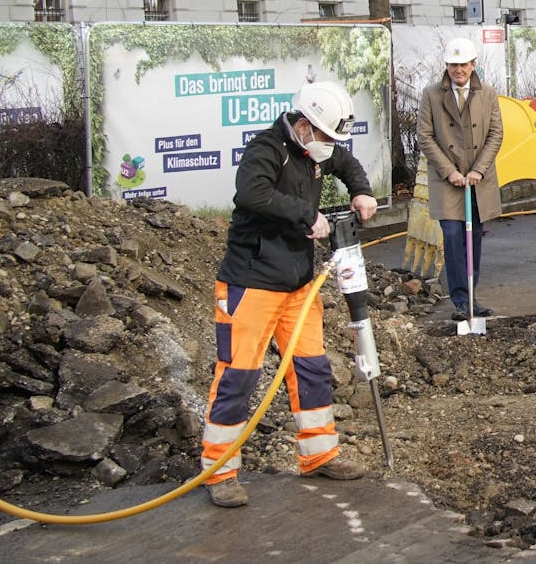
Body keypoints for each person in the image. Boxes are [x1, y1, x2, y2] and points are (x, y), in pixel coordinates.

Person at [201, 80, 378, 508]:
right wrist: (307, 215)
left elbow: (346, 161)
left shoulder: (316, 146)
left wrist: (362, 190)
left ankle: (318, 455)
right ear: (303, 126)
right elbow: (252, 193)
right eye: (324, 137)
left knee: (311, 369)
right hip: (252, 283)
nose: (328, 146)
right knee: (238, 376)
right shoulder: (267, 149)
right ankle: (220, 471)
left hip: (298, 285)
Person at [417, 37, 504, 321]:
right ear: (447, 66)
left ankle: (471, 295)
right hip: (448, 180)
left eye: (463, 64)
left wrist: (478, 169)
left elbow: (495, 134)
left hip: (478, 179)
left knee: (474, 236)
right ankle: (459, 299)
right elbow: (426, 137)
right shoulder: (431, 95)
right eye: (453, 65)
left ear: (473, 65)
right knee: (454, 236)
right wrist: (449, 171)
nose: (459, 70)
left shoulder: (488, 93)